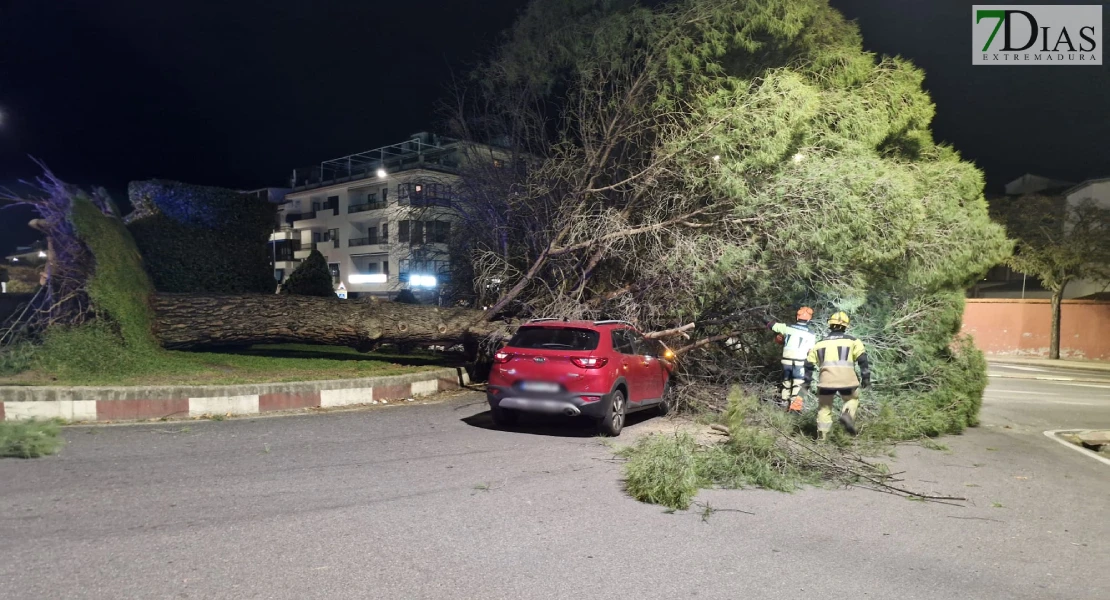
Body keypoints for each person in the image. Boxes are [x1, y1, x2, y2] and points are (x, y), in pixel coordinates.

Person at [804, 311, 870, 439]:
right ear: (846, 326)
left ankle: (822, 439)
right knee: (852, 399)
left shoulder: (818, 344)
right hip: (847, 380)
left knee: (824, 408)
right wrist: (865, 378)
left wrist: (806, 384)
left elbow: (808, 365)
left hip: (825, 381)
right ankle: (847, 415)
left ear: (830, 325)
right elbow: (863, 360)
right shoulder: (853, 341)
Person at [766, 307, 817, 412]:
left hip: (786, 361)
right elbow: (811, 351)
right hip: (800, 362)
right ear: (809, 319)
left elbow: (771, 325)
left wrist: (763, 317)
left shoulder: (787, 328)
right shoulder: (811, 334)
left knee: (786, 381)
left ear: (797, 317)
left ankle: (783, 402)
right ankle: (794, 408)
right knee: (797, 383)